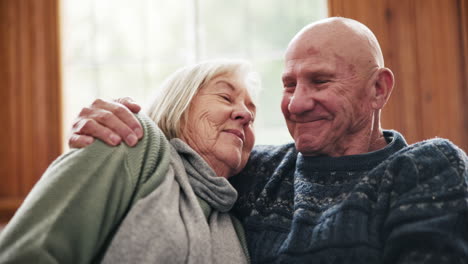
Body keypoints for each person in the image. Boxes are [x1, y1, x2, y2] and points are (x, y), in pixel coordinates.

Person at [67, 17, 468, 263]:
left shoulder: (426, 167)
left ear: (378, 90)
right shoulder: (254, 169)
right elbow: (177, 149)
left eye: (319, 81)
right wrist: (115, 121)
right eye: (288, 84)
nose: (295, 104)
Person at [0, 59, 260, 263]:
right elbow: (32, 252)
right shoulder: (133, 138)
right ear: (178, 106)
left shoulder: (234, 218)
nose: (246, 114)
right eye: (225, 97)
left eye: (252, 112)